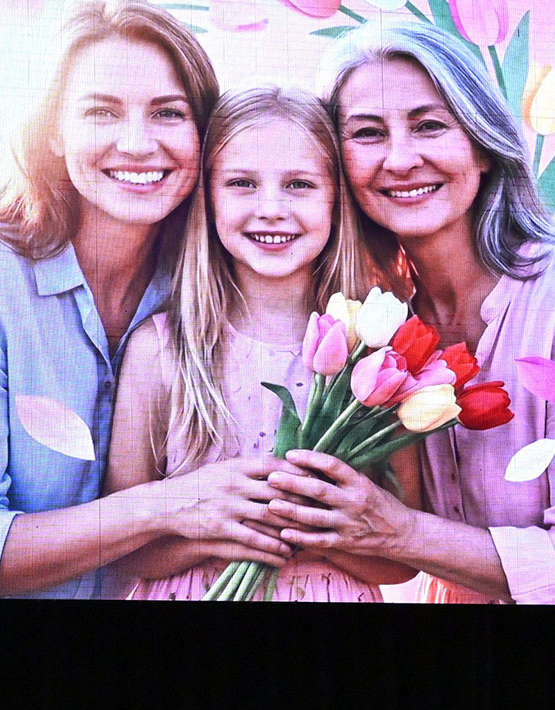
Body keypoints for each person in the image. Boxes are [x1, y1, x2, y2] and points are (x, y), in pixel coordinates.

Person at [0, 0, 296, 599]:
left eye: (168, 113)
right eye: (101, 112)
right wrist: (166, 505)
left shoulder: (203, 285)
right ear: (54, 131)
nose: (137, 143)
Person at [264, 23, 555, 605]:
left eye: (429, 125)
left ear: (482, 145)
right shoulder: (377, 321)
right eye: (368, 133)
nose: (401, 159)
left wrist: (397, 530)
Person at [105, 87, 421, 601]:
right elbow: (122, 543)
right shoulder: (163, 349)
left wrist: (316, 532)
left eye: (299, 184)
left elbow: (402, 557)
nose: (271, 209)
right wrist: (224, 529)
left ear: (336, 199)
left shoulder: (375, 351)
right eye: (242, 183)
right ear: (207, 197)